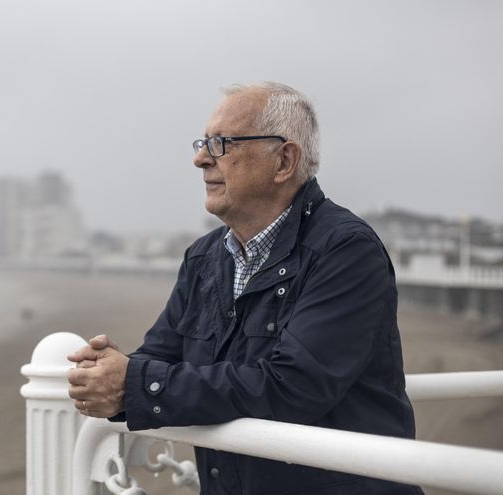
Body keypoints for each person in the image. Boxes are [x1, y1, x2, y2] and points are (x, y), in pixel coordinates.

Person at [66, 82, 423, 494]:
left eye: (221, 144)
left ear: (284, 160)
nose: (201, 159)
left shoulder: (345, 250)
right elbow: (160, 356)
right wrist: (110, 372)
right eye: (203, 143)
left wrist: (135, 384)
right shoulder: (203, 258)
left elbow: (295, 386)